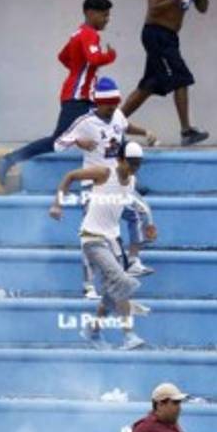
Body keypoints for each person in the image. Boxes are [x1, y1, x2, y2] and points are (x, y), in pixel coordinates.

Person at [0, 0, 117, 184]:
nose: (107, 19)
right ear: (90, 13)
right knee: (58, 140)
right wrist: (109, 56)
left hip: (80, 94)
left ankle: (120, 180)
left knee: (110, 129)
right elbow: (93, 59)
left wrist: (78, 71)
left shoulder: (78, 33)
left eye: (108, 16)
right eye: (104, 15)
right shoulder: (89, 34)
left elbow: (63, 57)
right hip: (79, 96)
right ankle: (8, 159)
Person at [53, 77, 159, 282]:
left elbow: (125, 126)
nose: (113, 108)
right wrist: (77, 141)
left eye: (115, 104)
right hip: (95, 185)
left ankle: (134, 261)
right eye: (109, 105)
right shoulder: (84, 123)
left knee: (135, 216)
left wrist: (145, 132)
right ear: (99, 103)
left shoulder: (117, 114)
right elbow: (58, 143)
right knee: (94, 234)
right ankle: (90, 282)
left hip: (119, 182)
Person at [50, 142, 150, 350]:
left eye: (138, 165)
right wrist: (57, 204)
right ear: (120, 159)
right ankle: (129, 335)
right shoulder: (104, 172)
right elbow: (70, 176)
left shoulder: (132, 180)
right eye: (131, 163)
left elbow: (133, 206)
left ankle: (92, 331)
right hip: (92, 238)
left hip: (112, 240)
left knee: (113, 291)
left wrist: (149, 223)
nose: (133, 168)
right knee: (122, 282)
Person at [123, 0, 210, 146]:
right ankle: (186, 131)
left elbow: (203, 8)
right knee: (181, 77)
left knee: (149, 85)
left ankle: (113, 122)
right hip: (155, 33)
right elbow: (154, 9)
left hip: (170, 37)